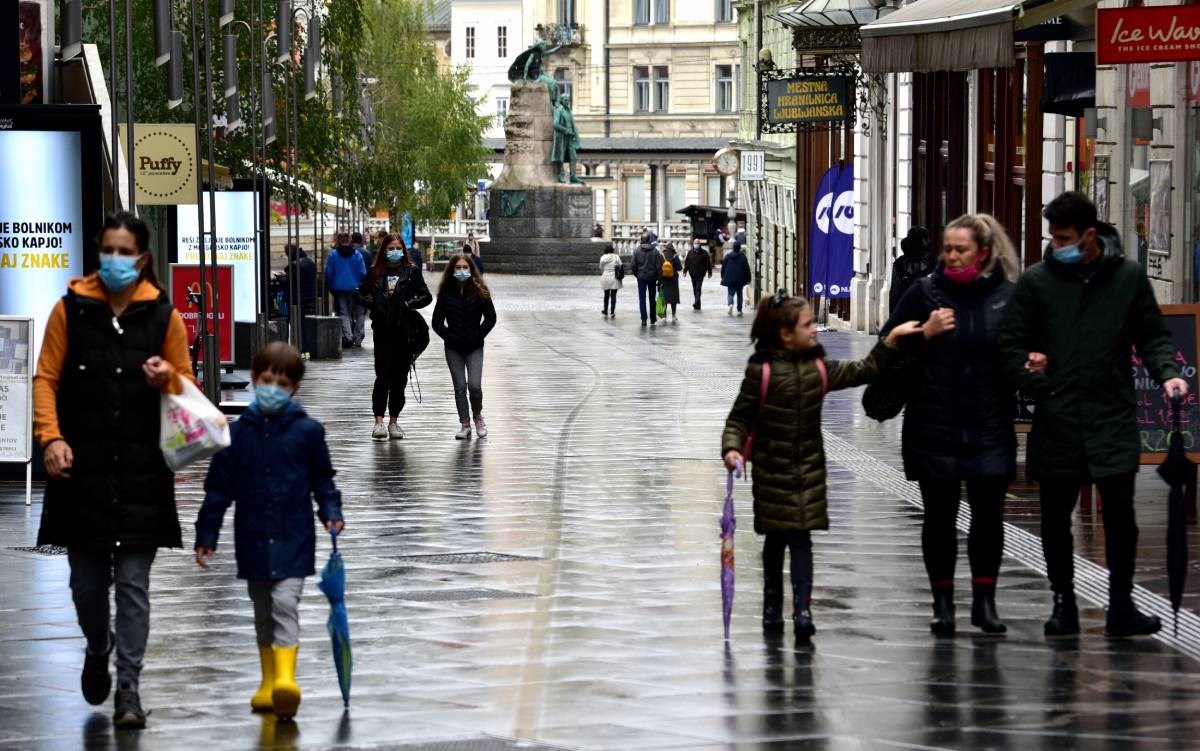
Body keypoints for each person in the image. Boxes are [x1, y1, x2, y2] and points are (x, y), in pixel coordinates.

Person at [999, 191, 1188, 638]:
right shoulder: (1037, 282)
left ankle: (1120, 607)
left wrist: (1169, 374)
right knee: (1054, 516)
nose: (1055, 244)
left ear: (1089, 235)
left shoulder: (1127, 278)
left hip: (1111, 415)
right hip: (1058, 416)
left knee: (1121, 516)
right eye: (1052, 237)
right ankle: (1063, 602)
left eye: (1063, 237)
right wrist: (1035, 376)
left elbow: (1153, 335)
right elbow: (1010, 344)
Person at [33, 211, 195, 729]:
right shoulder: (70, 311)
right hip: (80, 470)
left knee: (132, 584)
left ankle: (129, 687)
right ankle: (96, 642)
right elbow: (45, 379)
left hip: (142, 470)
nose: (116, 260)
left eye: (126, 252)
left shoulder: (162, 315)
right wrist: (50, 437)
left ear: (142, 259)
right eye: (109, 250)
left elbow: (188, 388)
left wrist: (168, 375)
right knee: (85, 584)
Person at [721, 292, 921, 640]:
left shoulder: (819, 368)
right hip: (770, 472)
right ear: (786, 334)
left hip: (808, 472)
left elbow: (864, 370)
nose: (815, 329)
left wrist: (890, 341)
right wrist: (732, 449)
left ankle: (802, 610)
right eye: (808, 324)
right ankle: (772, 605)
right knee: (774, 544)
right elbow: (739, 417)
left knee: (801, 542)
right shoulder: (761, 371)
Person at [881, 214, 1020, 636]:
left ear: (984, 252)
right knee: (939, 518)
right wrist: (925, 331)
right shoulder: (925, 293)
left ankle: (985, 602)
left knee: (988, 518)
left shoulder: (1008, 298)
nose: (952, 255)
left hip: (989, 423)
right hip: (934, 421)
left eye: (961, 249)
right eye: (948, 248)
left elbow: (1024, 348)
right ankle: (942, 604)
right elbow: (887, 343)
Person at [195, 342, 344, 721]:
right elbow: (218, 490)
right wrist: (206, 537)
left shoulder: (308, 432)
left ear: (294, 387)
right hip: (252, 537)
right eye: (266, 380)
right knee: (262, 609)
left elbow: (322, 479)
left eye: (282, 382)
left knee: (284, 604)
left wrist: (331, 512)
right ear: (255, 378)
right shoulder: (236, 434)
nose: (273, 387)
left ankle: (285, 681)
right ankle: (267, 682)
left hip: (294, 536)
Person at [357, 234, 433, 441]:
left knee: (399, 379)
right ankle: (378, 422)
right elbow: (359, 293)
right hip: (382, 331)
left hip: (404, 331)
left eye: (398, 247)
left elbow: (426, 296)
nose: (394, 251)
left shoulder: (411, 271)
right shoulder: (375, 272)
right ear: (384, 250)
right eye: (390, 247)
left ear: (403, 250)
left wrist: (409, 304)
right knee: (382, 377)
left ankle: (393, 421)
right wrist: (374, 304)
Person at [432, 253, 498, 439]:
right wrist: (450, 336)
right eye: (458, 268)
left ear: (471, 269)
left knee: (474, 386)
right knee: (460, 386)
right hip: (453, 347)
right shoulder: (445, 293)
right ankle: (465, 423)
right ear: (452, 271)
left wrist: (478, 334)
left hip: (475, 345)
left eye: (465, 267)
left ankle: (477, 415)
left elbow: (491, 317)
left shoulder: (480, 290)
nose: (462, 271)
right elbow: (437, 323)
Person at [326, 231, 368, 348]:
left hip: (339, 288)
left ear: (338, 241)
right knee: (360, 313)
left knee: (344, 313)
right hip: (356, 287)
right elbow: (363, 272)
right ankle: (358, 338)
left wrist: (331, 285)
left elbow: (329, 273)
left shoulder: (333, 254)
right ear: (349, 241)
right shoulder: (357, 255)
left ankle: (348, 336)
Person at [280, 244, 317, 357]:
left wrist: (280, 278)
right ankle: (304, 348)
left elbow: (289, 282)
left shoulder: (293, 265)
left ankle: (301, 348)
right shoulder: (309, 261)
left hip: (296, 298)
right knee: (302, 321)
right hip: (308, 296)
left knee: (295, 322)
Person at [889, 226, 934, 313]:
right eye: (927, 239)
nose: (929, 242)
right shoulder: (932, 261)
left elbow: (894, 294)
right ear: (923, 241)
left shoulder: (899, 263)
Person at [629, 237, 663, 327]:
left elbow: (633, 265)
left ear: (641, 240)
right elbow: (659, 266)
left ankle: (644, 319)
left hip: (641, 277)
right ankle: (652, 318)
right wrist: (659, 278)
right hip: (652, 277)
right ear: (649, 240)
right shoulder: (655, 251)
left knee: (642, 298)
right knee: (652, 299)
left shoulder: (637, 250)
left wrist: (637, 274)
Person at [721, 241, 752, 315]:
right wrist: (748, 278)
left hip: (730, 279)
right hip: (740, 279)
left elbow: (723, 268)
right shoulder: (743, 257)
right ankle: (739, 310)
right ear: (739, 248)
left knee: (730, 293)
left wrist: (723, 277)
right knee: (739, 294)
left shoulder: (728, 256)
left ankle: (730, 304)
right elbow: (746, 269)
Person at [684, 237, 713, 310]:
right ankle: (698, 304)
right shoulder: (690, 253)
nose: (696, 245)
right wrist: (685, 271)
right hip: (692, 274)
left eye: (697, 243)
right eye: (695, 243)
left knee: (698, 288)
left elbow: (708, 264)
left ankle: (696, 302)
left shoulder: (704, 253)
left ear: (699, 244)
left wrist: (710, 272)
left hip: (700, 274)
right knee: (694, 288)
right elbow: (687, 263)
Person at [659, 242, 683, 322]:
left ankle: (664, 315)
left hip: (664, 279)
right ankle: (673, 315)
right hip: (673, 279)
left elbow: (658, 267)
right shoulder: (675, 256)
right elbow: (679, 268)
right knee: (673, 298)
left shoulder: (662, 255)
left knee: (664, 297)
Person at [599, 243, 623, 317]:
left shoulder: (603, 257)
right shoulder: (616, 257)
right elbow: (621, 265)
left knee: (606, 295)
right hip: (614, 278)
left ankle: (605, 310)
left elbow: (601, 267)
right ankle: (612, 312)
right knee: (613, 295)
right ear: (612, 250)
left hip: (605, 277)